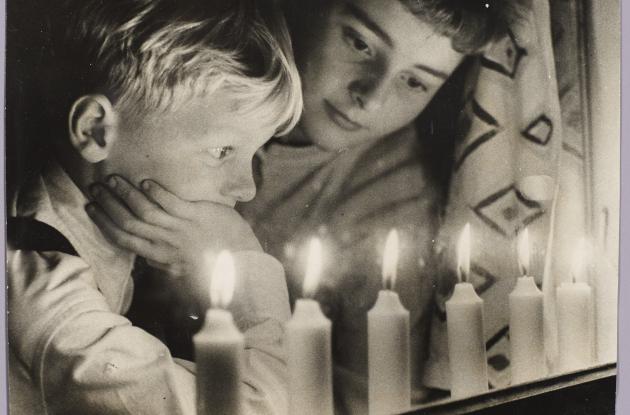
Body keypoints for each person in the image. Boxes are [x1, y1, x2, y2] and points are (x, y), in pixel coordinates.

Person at [89, 0, 524, 413]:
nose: (369, 97)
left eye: (415, 81)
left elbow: (370, 403)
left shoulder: (397, 205)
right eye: (359, 43)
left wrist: (237, 257)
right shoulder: (186, 75)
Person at [6, 0, 302, 414]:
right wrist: (244, 261)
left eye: (254, 152)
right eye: (221, 150)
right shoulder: (50, 305)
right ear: (95, 129)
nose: (247, 188)